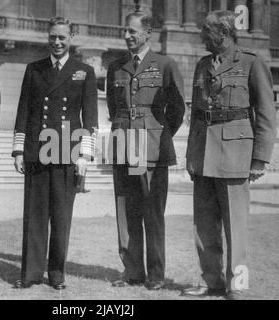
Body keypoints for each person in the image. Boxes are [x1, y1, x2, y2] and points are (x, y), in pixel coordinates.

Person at [184, 11, 277, 300]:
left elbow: (265, 112)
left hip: (236, 153)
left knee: (235, 226)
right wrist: (191, 155)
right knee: (204, 226)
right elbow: (197, 115)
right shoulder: (202, 65)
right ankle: (210, 281)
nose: (201, 36)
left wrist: (260, 158)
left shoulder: (250, 62)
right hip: (203, 155)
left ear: (223, 33)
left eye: (206, 31)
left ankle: (237, 286)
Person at [12, 17, 98, 290]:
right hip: (37, 152)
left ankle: (57, 274)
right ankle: (31, 274)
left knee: (61, 217)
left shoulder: (84, 71)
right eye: (52, 37)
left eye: (62, 37)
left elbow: (90, 118)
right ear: (47, 38)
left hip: (66, 152)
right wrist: (17, 150)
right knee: (34, 216)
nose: (57, 42)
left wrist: (85, 156)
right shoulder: (34, 69)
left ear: (71, 38)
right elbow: (23, 111)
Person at [106, 12, 185, 290]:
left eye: (132, 31)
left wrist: (158, 136)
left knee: (152, 212)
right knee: (127, 211)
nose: (127, 36)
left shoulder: (165, 65)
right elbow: (114, 109)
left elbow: (177, 109)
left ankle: (155, 274)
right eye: (125, 31)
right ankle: (132, 271)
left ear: (147, 32)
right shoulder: (116, 66)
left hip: (151, 150)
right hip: (124, 146)